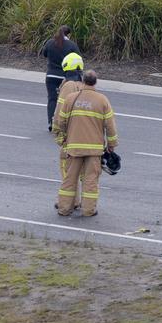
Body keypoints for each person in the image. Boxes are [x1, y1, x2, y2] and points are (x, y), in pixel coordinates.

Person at [53, 70, 117, 217]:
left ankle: (64, 209)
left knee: (70, 179)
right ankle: (88, 210)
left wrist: (62, 138)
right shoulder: (102, 100)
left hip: (74, 147)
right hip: (94, 150)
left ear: (82, 81)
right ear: (95, 82)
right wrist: (111, 144)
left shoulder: (70, 99)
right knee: (90, 180)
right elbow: (110, 125)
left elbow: (61, 121)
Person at [53, 52, 85, 206]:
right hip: (88, 137)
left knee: (67, 171)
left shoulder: (67, 87)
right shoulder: (87, 86)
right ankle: (83, 203)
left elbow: (60, 112)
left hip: (71, 138)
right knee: (84, 174)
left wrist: (57, 132)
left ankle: (67, 202)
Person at [41, 25, 80, 131]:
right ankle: (64, 123)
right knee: (65, 100)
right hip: (65, 77)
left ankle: (51, 121)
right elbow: (78, 58)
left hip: (51, 75)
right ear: (69, 34)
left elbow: (44, 54)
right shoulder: (72, 45)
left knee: (52, 99)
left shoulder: (50, 42)